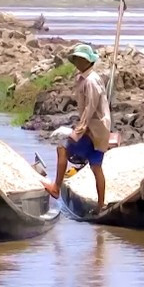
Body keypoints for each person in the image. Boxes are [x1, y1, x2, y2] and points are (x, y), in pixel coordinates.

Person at [42, 44, 111, 212]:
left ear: (88, 61)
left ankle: (56, 188)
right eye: (77, 59)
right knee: (96, 166)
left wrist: (78, 131)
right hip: (100, 129)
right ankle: (100, 205)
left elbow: (90, 108)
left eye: (81, 59)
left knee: (62, 149)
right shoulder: (84, 78)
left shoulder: (91, 81)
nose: (78, 62)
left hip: (93, 129)